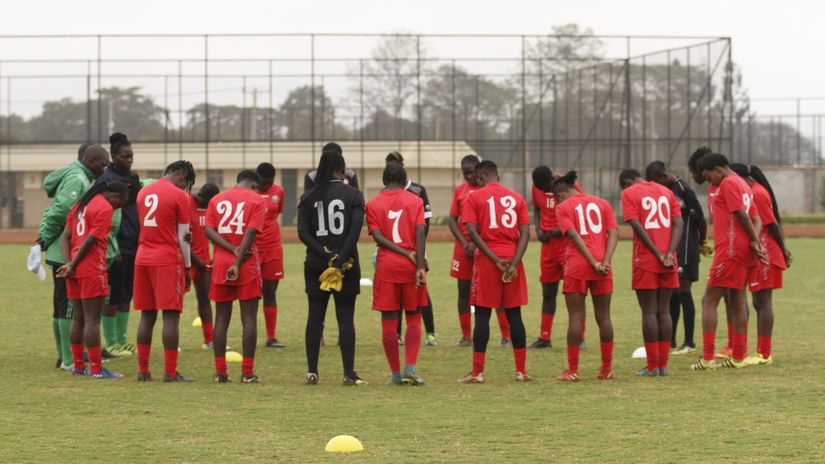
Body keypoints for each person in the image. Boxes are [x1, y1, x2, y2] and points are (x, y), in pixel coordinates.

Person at [298, 143, 366, 386]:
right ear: (342, 169)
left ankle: (312, 371)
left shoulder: (307, 196)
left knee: (314, 316)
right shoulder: (354, 195)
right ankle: (348, 373)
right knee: (345, 318)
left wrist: (325, 254)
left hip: (316, 264)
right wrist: (340, 257)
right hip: (347, 264)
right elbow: (356, 228)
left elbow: (303, 233)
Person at [458, 160, 532, 384]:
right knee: (514, 314)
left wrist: (494, 259)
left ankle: (478, 373)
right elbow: (526, 232)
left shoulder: (474, 197)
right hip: (513, 259)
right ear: (497, 176)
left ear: (480, 177)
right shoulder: (516, 197)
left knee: (482, 315)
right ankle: (521, 371)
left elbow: (470, 230)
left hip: (488, 262)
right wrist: (513, 263)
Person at [691, 154, 766, 371]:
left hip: (730, 251)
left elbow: (743, 216)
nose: (709, 182)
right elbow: (756, 219)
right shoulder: (743, 183)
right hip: (744, 252)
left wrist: (754, 240)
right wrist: (755, 242)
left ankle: (707, 359)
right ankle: (739, 357)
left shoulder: (728, 183)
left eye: (708, 177)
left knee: (709, 301)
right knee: (737, 300)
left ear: (717, 169)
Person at [36, 144, 109, 371]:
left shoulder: (77, 175)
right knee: (68, 309)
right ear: (90, 160)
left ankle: (64, 356)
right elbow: (62, 212)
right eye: (102, 163)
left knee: (61, 307)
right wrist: (44, 239)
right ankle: (69, 360)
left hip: (63, 252)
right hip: (66, 254)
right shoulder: (78, 179)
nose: (105, 168)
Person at [57, 180, 129, 378]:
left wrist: (69, 264)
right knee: (92, 320)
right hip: (91, 268)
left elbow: (65, 237)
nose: (118, 208)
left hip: (74, 268)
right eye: (120, 203)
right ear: (115, 196)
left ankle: (79, 366)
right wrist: (72, 265)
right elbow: (91, 239)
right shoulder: (104, 208)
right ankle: (96, 369)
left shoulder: (79, 205)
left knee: (78, 318)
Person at [134, 160, 197, 382]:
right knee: (171, 317)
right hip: (167, 259)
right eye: (187, 184)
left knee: (146, 315)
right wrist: (188, 267)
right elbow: (182, 236)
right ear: (182, 178)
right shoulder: (180, 196)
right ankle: (170, 372)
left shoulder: (143, 192)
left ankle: (143, 370)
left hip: (142, 258)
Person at [554, 171, 619, 382]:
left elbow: (573, 235)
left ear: (561, 195)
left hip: (578, 265)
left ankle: (573, 370)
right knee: (604, 317)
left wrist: (592, 262)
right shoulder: (602, 203)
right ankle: (606, 369)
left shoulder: (563, 207)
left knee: (575, 317)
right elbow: (614, 233)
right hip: (603, 264)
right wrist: (605, 261)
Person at [366, 164, 428, 385]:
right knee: (413, 316)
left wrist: (399, 252)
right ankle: (410, 366)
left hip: (387, 268)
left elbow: (378, 237)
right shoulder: (416, 200)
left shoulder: (372, 204)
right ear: (404, 181)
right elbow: (420, 231)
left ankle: (394, 375)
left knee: (389, 321)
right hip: (411, 266)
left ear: (384, 181)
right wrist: (419, 263)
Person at [205, 170, 267, 383]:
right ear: (254, 185)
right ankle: (247, 373)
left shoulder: (217, 199)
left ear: (238, 181)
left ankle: (221, 373)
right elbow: (250, 233)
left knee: (221, 318)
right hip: (246, 263)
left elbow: (208, 230)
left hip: (221, 262)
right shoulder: (257, 200)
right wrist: (238, 259)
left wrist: (231, 250)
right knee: (248, 318)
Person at [620, 169, 683, 376]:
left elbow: (637, 226)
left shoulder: (629, 193)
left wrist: (657, 253)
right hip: (669, 260)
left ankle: (652, 365)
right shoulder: (666, 191)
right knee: (664, 311)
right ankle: (663, 365)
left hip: (646, 259)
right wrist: (669, 253)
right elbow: (678, 223)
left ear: (627, 182)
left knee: (648, 312)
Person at [730, 163, 791, 366]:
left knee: (763, 302)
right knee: (758, 302)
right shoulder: (750, 192)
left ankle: (764, 353)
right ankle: (754, 350)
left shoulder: (758, 193)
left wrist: (783, 251)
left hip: (767, 254)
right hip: (760, 253)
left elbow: (772, 224)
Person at [646, 160, 706, 354]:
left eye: (656, 182)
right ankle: (669, 340)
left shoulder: (683, 189)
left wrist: (702, 241)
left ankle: (689, 342)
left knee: (683, 292)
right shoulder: (667, 191)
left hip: (687, 248)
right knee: (671, 294)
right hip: (674, 248)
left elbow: (700, 217)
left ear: (664, 176)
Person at [383, 151, 441, 347]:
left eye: (392, 165)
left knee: (421, 289)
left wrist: (419, 249)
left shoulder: (417, 190)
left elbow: (426, 222)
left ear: (401, 167)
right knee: (396, 294)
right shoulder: (386, 190)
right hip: (393, 249)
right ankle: (398, 334)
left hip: (415, 246)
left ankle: (431, 333)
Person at [528, 165, 585, 349]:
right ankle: (545, 337)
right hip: (548, 248)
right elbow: (536, 209)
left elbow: (581, 207)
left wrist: (560, 229)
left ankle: (580, 337)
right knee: (548, 292)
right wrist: (537, 228)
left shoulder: (568, 184)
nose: (546, 191)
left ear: (553, 179)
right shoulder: (537, 187)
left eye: (547, 187)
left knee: (575, 293)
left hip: (568, 243)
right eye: (542, 189)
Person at [687, 146, 735, 359]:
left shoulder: (728, 184)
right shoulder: (713, 187)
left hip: (731, 250)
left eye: (696, 172)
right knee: (728, 297)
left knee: (727, 298)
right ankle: (733, 346)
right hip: (724, 248)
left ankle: (730, 347)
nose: (696, 177)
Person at [98, 133, 142, 357]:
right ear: (114, 156)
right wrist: (110, 245)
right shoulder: (107, 180)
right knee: (113, 295)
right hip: (116, 246)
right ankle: (111, 342)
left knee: (127, 295)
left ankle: (123, 341)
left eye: (131, 156)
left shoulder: (133, 179)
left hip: (134, 243)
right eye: (125, 156)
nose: (129, 160)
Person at [448, 155, 481, 346]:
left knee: (492, 289)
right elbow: (453, 219)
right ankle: (466, 335)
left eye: (471, 172)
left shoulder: (486, 190)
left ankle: (505, 335)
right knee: (463, 291)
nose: (468, 176)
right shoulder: (460, 191)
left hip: (484, 245)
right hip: (463, 248)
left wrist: (477, 243)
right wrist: (464, 243)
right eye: (465, 173)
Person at [256, 163, 287, 348]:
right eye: (263, 183)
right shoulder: (251, 192)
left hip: (273, 247)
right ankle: (249, 333)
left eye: (270, 183)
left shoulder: (279, 191)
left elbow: (277, 212)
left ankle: (271, 337)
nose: (266, 186)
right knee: (250, 294)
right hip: (253, 248)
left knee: (270, 292)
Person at [189, 183, 220, 348]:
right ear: (200, 196)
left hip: (205, 262)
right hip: (186, 262)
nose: (209, 206)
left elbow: (214, 232)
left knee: (205, 299)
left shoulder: (211, 206)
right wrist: (196, 261)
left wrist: (214, 257)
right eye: (207, 203)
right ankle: (173, 343)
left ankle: (209, 340)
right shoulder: (186, 203)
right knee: (174, 305)